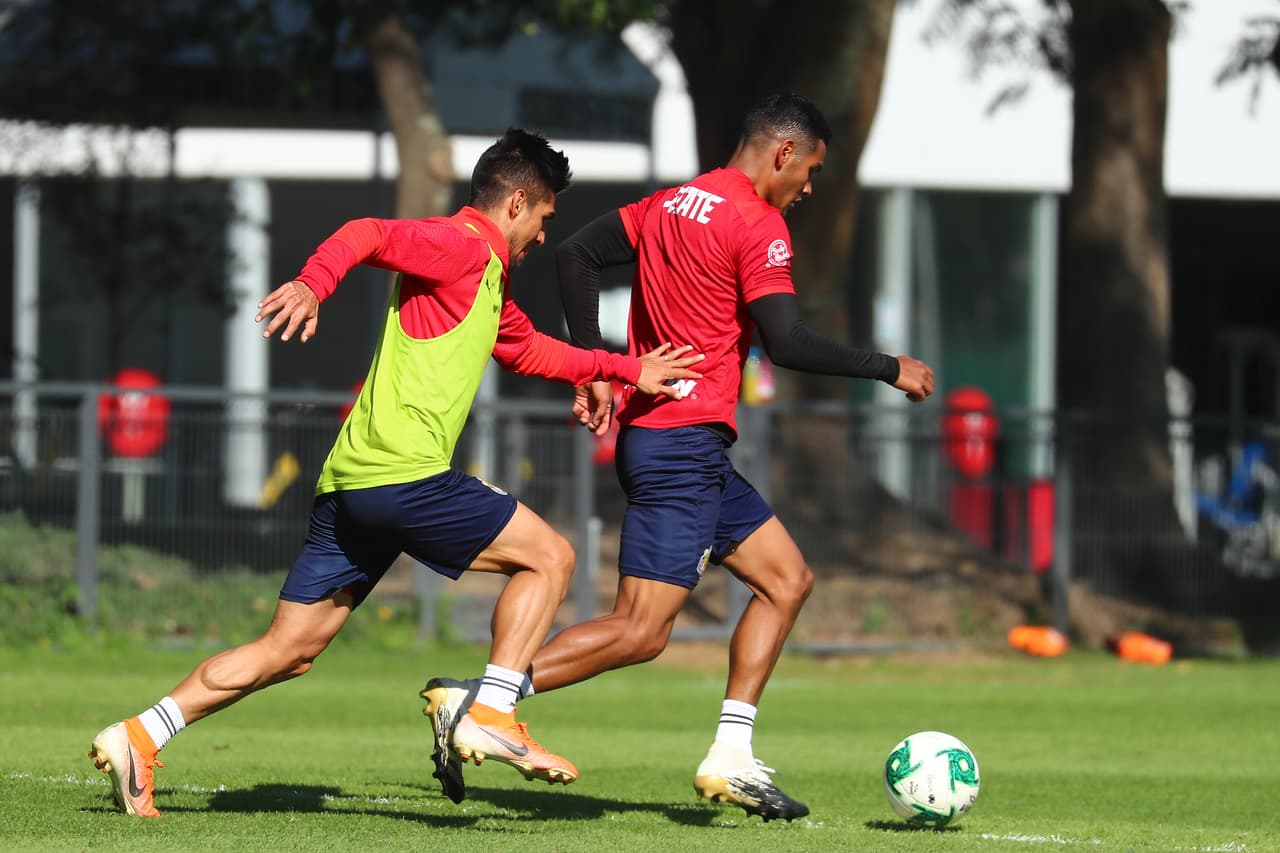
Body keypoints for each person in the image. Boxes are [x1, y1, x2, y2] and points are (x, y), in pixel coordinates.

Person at [86, 128, 704, 818]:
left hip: (350, 484)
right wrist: (311, 283)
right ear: (517, 203)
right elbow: (368, 231)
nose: (540, 236)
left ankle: (141, 733)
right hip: (403, 477)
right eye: (544, 219)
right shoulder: (463, 244)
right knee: (551, 559)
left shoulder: (485, 275)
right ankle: (491, 710)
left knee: (290, 649)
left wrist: (619, 371)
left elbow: (526, 349)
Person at [421, 94, 934, 822]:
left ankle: (730, 754)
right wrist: (889, 367)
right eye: (812, 169)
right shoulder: (759, 224)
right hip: (681, 445)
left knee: (787, 580)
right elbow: (786, 341)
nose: (810, 188)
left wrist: (598, 363)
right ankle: (479, 698)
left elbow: (576, 253)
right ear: (782, 153)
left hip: (685, 447)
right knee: (641, 629)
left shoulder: (669, 204)